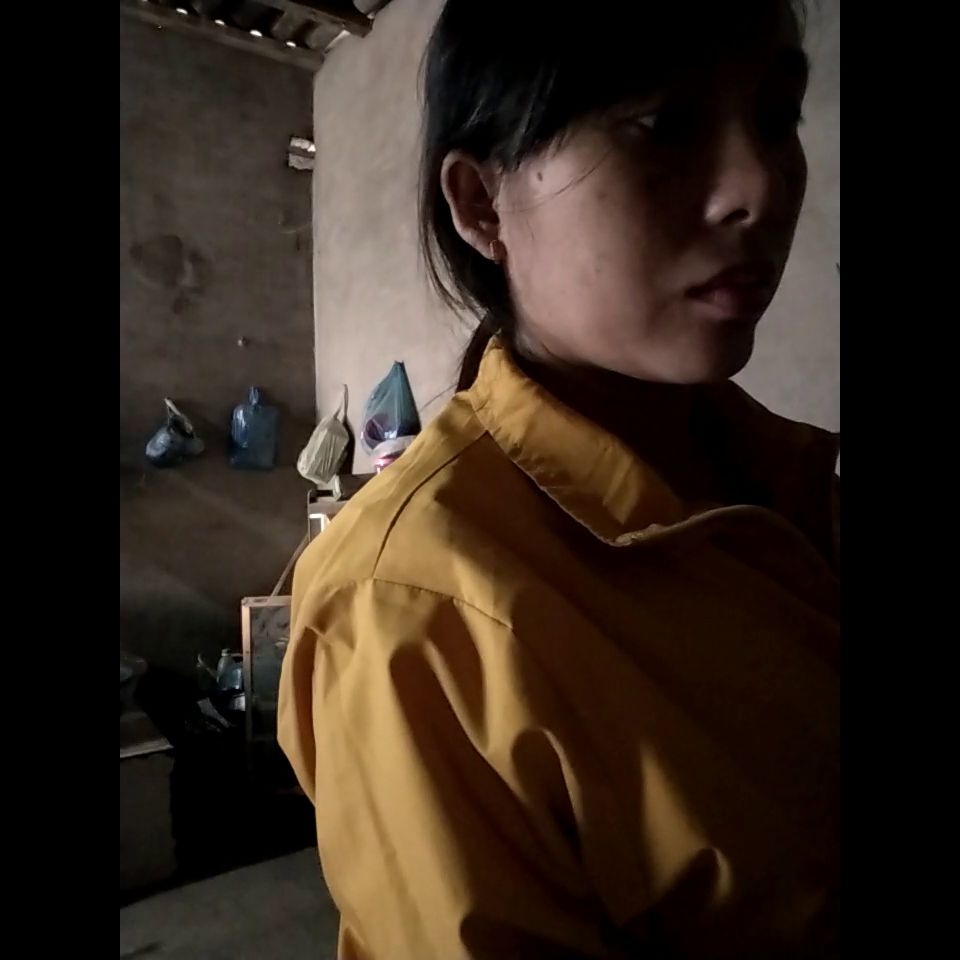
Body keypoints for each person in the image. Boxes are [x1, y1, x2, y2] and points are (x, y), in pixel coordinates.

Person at [278, 1, 839, 957]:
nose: (762, 186)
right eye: (664, 123)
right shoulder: (416, 610)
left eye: (777, 116)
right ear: (482, 205)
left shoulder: (786, 480)